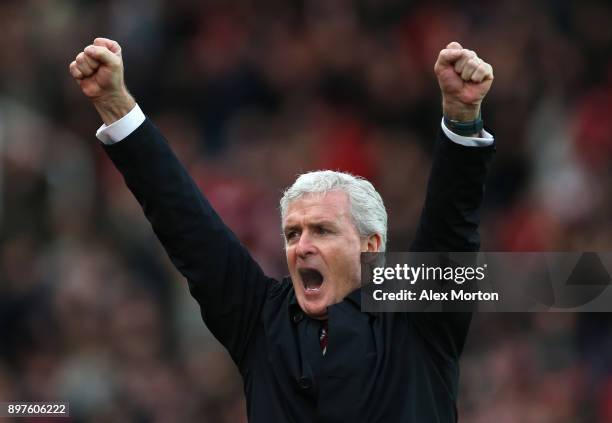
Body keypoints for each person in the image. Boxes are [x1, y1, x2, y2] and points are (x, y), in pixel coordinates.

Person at [69, 37, 495, 422]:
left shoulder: (415, 315)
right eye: (293, 234)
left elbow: (452, 226)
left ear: (372, 245)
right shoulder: (261, 318)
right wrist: (115, 106)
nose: (302, 246)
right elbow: (185, 222)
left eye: (323, 231)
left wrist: (460, 119)